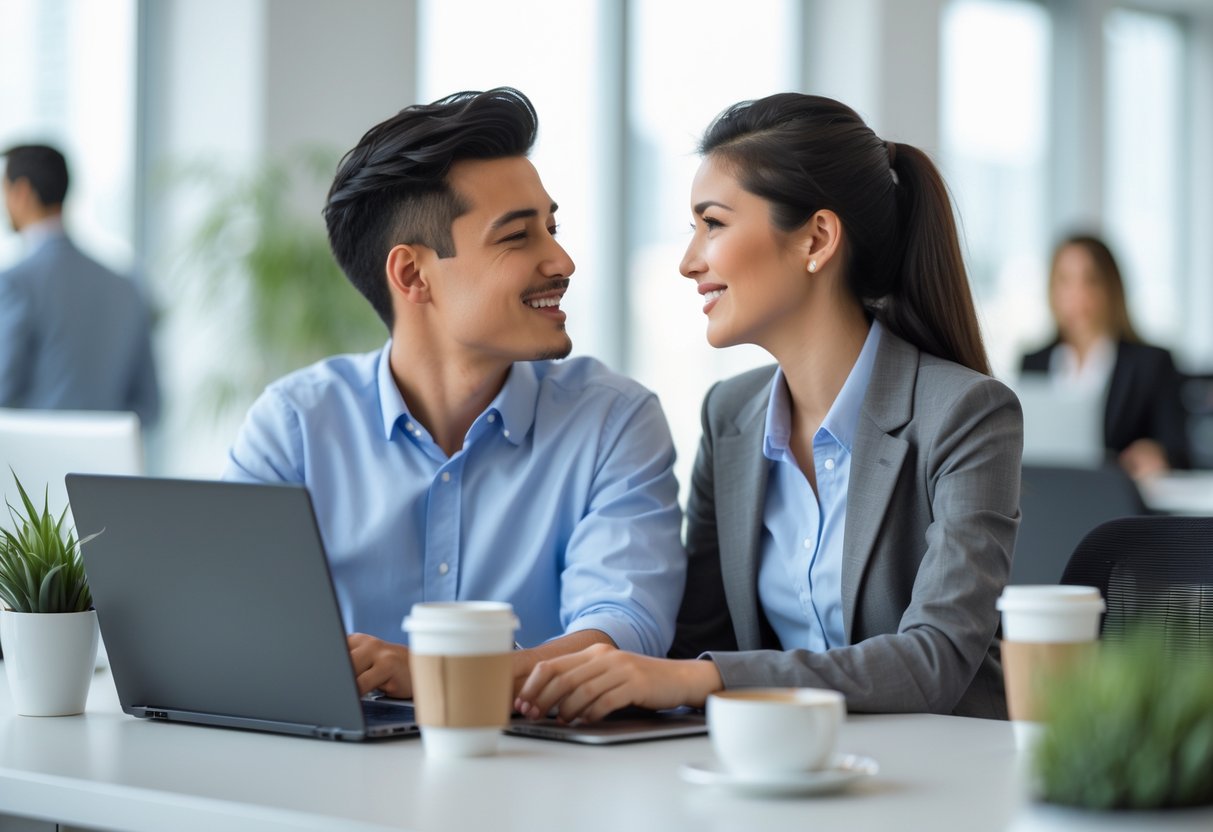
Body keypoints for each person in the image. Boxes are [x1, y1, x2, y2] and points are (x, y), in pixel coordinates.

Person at [516, 93, 1022, 723]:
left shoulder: (967, 414)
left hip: (944, 778)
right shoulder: (730, 416)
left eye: (714, 223)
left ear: (816, 238)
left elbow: (934, 661)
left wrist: (701, 680)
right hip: (780, 775)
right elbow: (698, 635)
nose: (688, 261)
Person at [222, 88, 685, 698]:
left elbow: (623, 631)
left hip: (540, 771)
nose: (563, 260)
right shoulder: (295, 425)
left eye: (553, 227)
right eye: (519, 237)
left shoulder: (613, 420)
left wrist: (441, 677)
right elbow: (231, 627)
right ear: (413, 275)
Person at [0, 144, 160, 426]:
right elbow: (150, 405)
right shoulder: (126, 285)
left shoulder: (15, 284)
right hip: (106, 466)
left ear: (21, 192)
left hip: (30, 466)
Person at [1020, 234, 1189, 478]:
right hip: (1052, 496)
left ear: (1111, 288)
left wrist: (1158, 455)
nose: (1078, 294)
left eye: (1091, 280)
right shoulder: (1033, 363)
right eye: (1065, 281)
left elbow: (1179, 452)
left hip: (1117, 501)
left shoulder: (1151, 364)